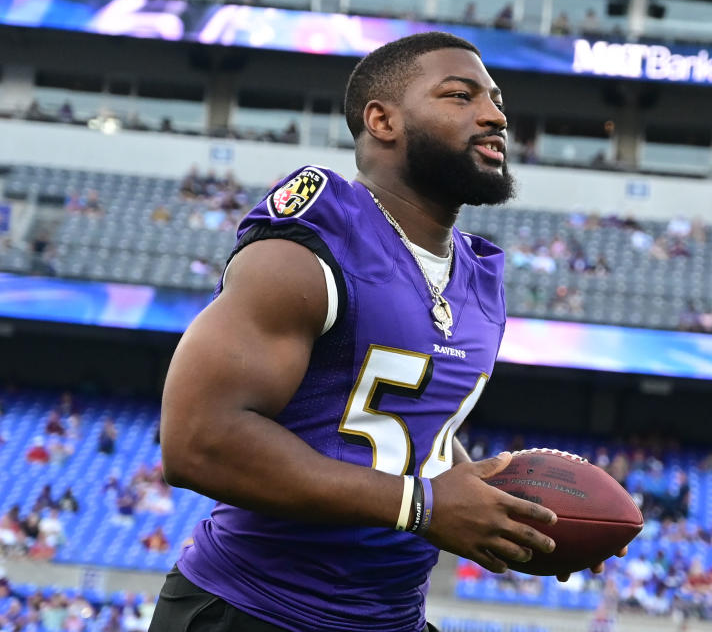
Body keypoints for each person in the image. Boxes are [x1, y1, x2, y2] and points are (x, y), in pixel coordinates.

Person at [151, 32, 623, 632]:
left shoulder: (479, 277)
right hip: (255, 609)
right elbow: (197, 441)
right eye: (460, 96)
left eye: (497, 99)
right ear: (382, 120)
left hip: (391, 618)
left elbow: (404, 428)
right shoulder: (315, 242)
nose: (494, 115)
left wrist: (500, 512)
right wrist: (424, 506)